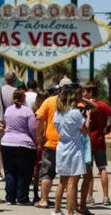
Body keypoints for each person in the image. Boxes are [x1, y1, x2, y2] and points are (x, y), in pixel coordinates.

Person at [51, 84, 97, 215]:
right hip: (74, 148)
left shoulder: (57, 113)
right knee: (72, 182)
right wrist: (87, 117)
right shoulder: (75, 113)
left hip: (62, 146)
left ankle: (57, 210)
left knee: (62, 180)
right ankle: (70, 212)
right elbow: (85, 131)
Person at [35, 77, 72, 209]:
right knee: (68, 175)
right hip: (69, 144)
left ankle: (44, 200)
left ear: (59, 88)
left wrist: (39, 136)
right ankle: (70, 202)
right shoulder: (74, 103)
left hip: (51, 142)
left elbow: (39, 118)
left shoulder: (49, 101)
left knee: (47, 172)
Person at [82, 82, 111, 206]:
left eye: (85, 91)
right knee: (102, 167)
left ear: (90, 92)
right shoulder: (103, 105)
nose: (83, 94)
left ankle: (90, 197)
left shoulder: (84, 105)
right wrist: (108, 129)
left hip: (86, 141)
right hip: (99, 140)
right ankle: (106, 197)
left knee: (88, 169)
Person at [1, 89, 37, 205]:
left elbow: (7, 125)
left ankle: (9, 198)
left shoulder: (8, 110)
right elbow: (32, 129)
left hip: (7, 143)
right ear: (24, 98)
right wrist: (36, 141)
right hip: (24, 144)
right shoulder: (28, 112)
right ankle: (22, 197)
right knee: (24, 172)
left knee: (9, 171)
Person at [0, 72, 17, 182]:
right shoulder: (16, 93)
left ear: (5, 80)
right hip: (12, 124)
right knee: (12, 150)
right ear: (14, 80)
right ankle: (11, 172)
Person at [30, 89, 49, 203]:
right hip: (44, 142)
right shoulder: (46, 111)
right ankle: (43, 195)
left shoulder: (33, 111)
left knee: (37, 170)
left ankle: (36, 194)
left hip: (35, 143)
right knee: (44, 170)